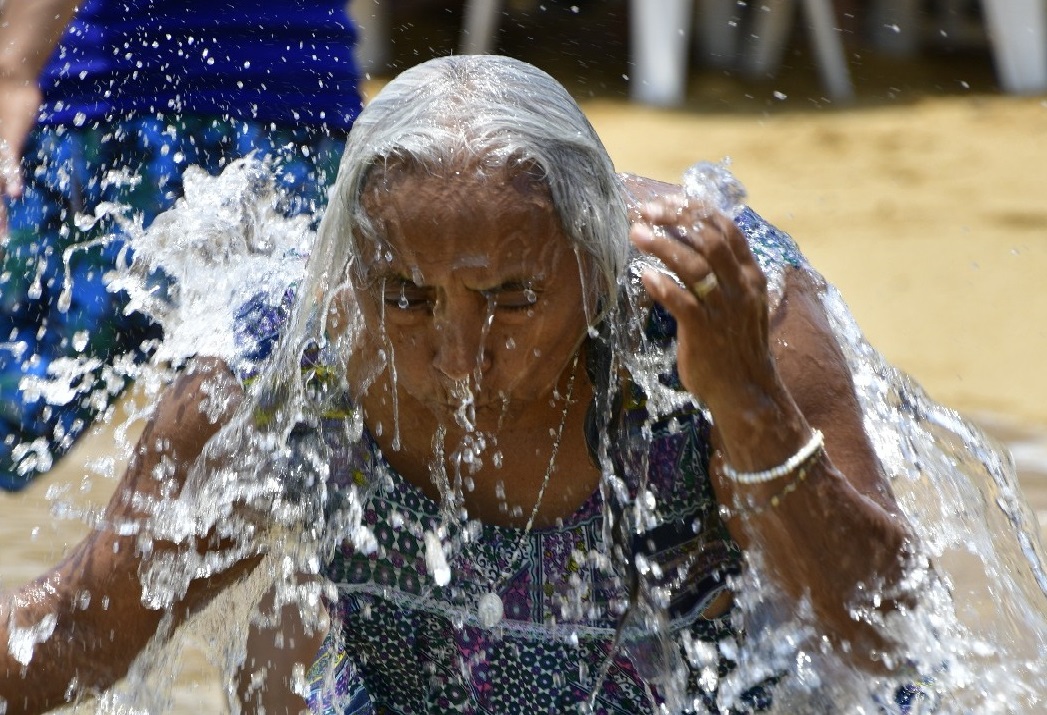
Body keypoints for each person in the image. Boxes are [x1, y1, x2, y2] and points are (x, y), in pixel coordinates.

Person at [0, 55, 934, 714]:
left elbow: (880, 632)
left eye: (509, 296)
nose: (458, 353)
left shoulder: (716, 311)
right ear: (350, 275)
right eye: (407, 298)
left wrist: (749, 404)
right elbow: (81, 629)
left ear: (597, 264)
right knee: (278, 629)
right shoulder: (285, 358)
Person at [0, 0, 362, 490]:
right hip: (301, 114)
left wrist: (12, 68)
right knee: (306, 468)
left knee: (15, 419)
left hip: (124, 116)